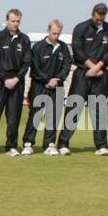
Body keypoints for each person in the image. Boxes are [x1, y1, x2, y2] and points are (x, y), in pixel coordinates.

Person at [69, 3, 108, 155]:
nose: (99, 20)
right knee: (73, 109)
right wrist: (91, 67)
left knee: (99, 111)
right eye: (97, 17)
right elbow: (77, 50)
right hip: (83, 73)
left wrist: (97, 68)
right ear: (92, 13)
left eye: (102, 17)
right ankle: (63, 143)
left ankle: (101, 146)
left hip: (100, 75)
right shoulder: (81, 28)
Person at [0, 8, 30, 156]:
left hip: (17, 82)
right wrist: (4, 78)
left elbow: (26, 62)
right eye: (12, 21)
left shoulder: (24, 39)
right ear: (7, 21)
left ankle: (11, 146)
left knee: (13, 116)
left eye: (17, 21)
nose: (15, 24)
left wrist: (16, 78)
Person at [26, 20, 72, 154]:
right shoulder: (38, 47)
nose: (56, 36)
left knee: (54, 115)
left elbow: (66, 65)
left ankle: (49, 144)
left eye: (58, 34)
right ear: (48, 31)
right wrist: (47, 80)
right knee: (36, 114)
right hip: (39, 85)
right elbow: (35, 67)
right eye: (53, 33)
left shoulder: (63, 47)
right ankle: (28, 143)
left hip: (57, 86)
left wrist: (58, 79)